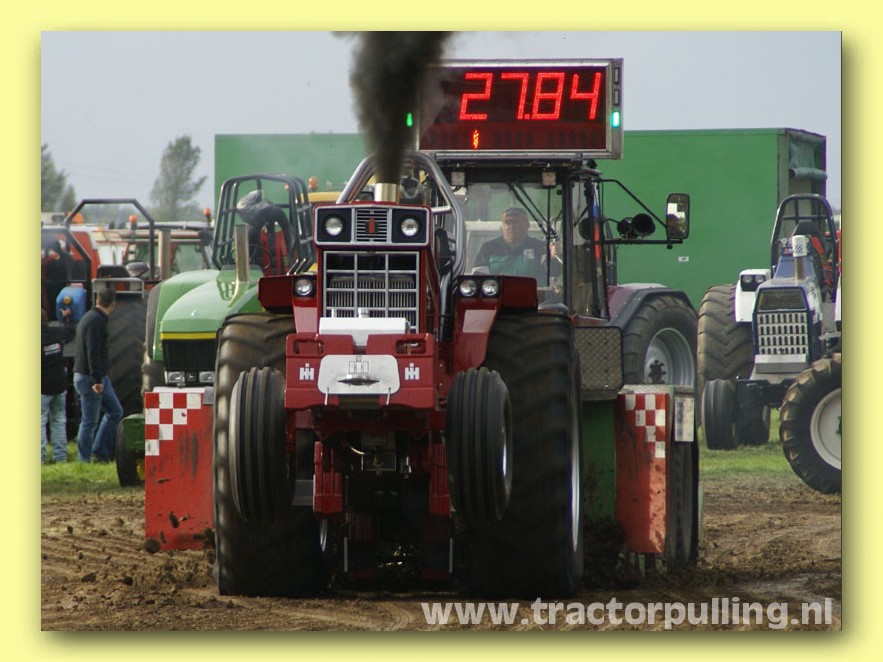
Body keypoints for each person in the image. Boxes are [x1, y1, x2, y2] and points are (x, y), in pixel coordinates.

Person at [73, 288, 123, 462]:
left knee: (115, 412)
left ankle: (99, 452)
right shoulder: (96, 321)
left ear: (97, 300)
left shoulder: (89, 317)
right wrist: (97, 379)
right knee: (89, 421)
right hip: (91, 378)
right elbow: (93, 351)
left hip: (93, 375)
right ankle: (84, 459)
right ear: (113, 304)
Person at [473, 207, 560, 282]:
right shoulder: (488, 248)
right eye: (508, 223)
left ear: (527, 225)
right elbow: (478, 279)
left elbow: (555, 272)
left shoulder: (540, 247)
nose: (511, 227)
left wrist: (553, 258)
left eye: (516, 222)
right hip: (499, 295)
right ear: (502, 227)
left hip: (532, 295)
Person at [41, 307, 75, 464]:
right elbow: (70, 331)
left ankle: (40, 458)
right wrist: (67, 317)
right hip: (60, 386)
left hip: (42, 388)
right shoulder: (57, 333)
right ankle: (60, 457)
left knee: (40, 423)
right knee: (59, 421)